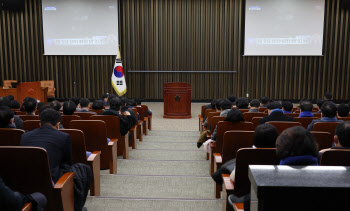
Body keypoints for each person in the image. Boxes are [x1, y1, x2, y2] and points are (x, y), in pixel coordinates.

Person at [20, 108, 92, 211]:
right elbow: (67, 163)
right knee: (83, 169)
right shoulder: (64, 137)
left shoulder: (24, 136)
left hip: (28, 180)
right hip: (53, 181)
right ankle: (76, 207)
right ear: (58, 124)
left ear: (40, 122)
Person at [212, 124, 278, 185]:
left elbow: (233, 178)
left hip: (246, 195)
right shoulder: (282, 155)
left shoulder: (244, 156)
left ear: (255, 138)